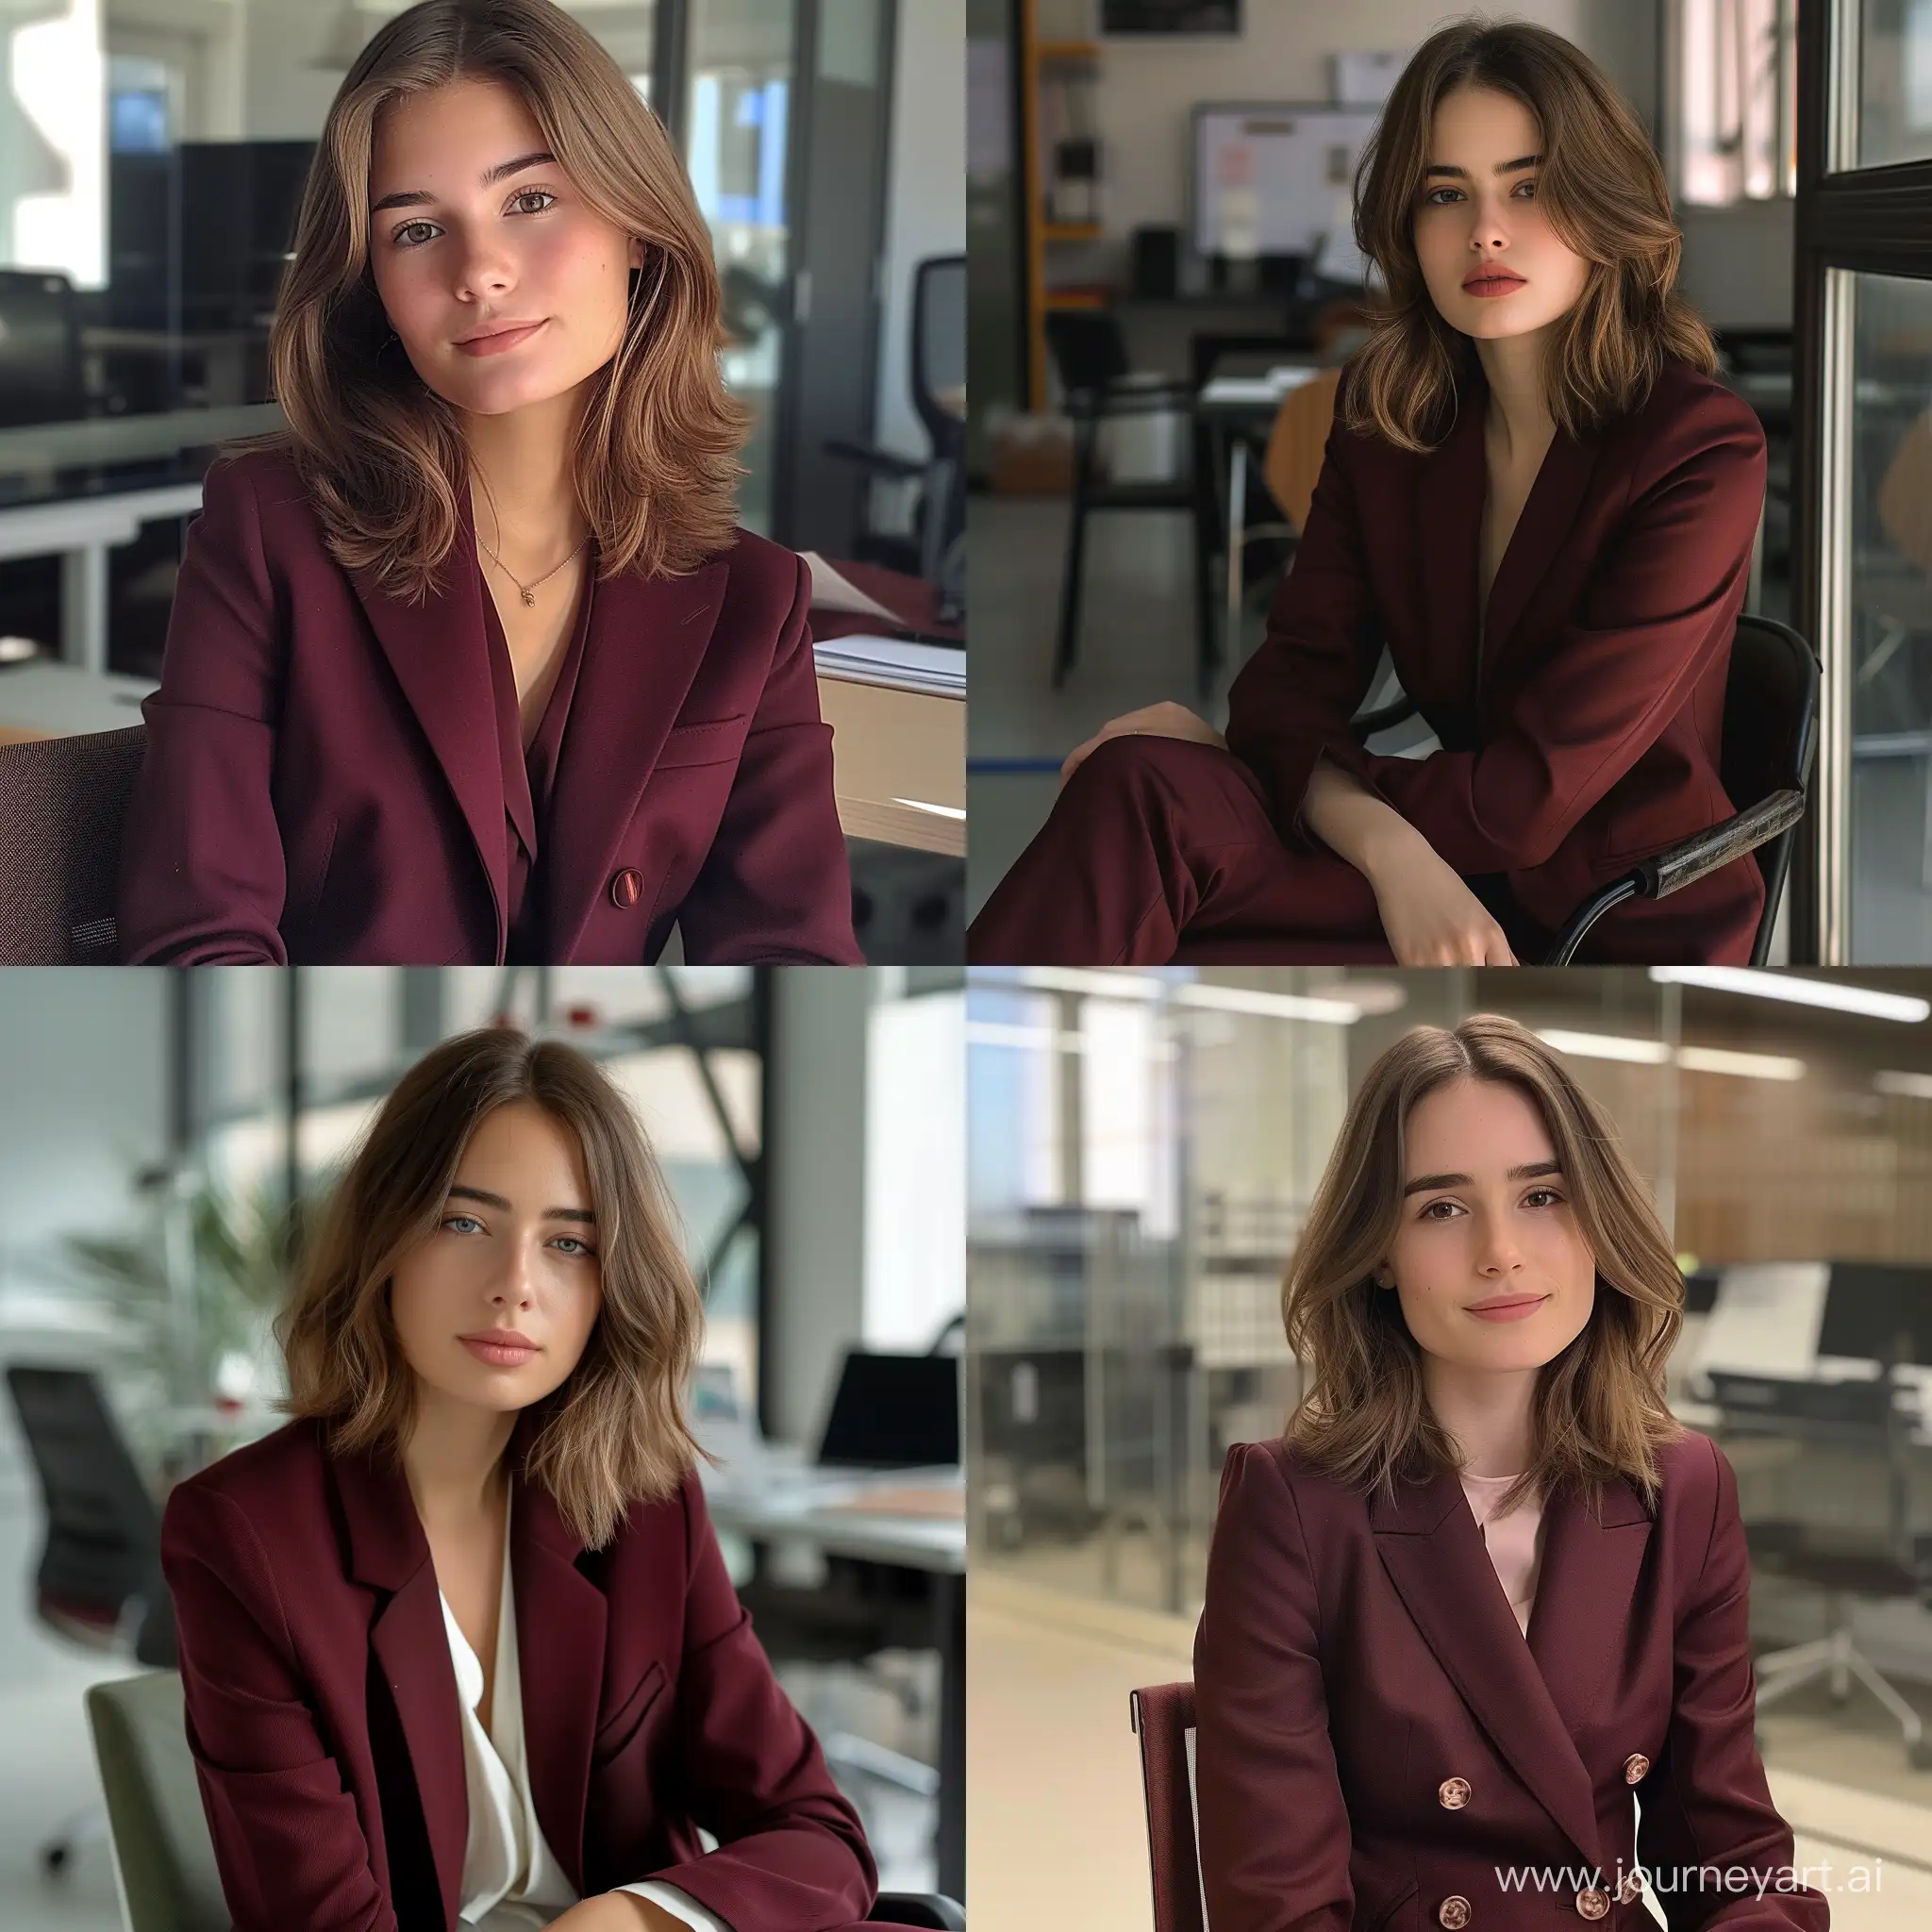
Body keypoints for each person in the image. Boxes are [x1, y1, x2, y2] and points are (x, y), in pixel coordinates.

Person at [969, 17, 1769, 968]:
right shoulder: (1386, 424)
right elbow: (1285, 688)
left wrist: (1277, 771)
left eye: (1528, 185)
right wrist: (1386, 847)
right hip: (1441, 867)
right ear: (1405, 222)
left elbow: (1520, 804)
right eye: (1445, 192)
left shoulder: (1696, 449)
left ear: (1601, 201)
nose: (1484, 229)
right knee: (1138, 779)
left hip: (1602, 917)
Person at [119, 0, 858, 967]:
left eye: (531, 201)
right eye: (418, 230)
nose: (480, 272)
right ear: (369, 282)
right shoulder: (267, 529)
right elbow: (195, 935)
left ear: (637, 226)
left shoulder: (754, 601)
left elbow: (791, 953)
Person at [159, 1029, 905, 1931]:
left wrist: (633, 1919)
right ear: (385, 1239)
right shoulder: (247, 1535)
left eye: (569, 1244)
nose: (516, 1285)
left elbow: (817, 1831)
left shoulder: (647, 1503)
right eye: (463, 1222)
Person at [1193, 1015, 1828, 1931]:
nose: (1500, 1249)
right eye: (1440, 1207)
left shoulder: (1684, 1486)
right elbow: (1279, 1907)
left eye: (1540, 1195)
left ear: (1597, 1219)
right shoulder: (1293, 1505)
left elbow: (1728, 1859)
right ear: (1377, 1249)